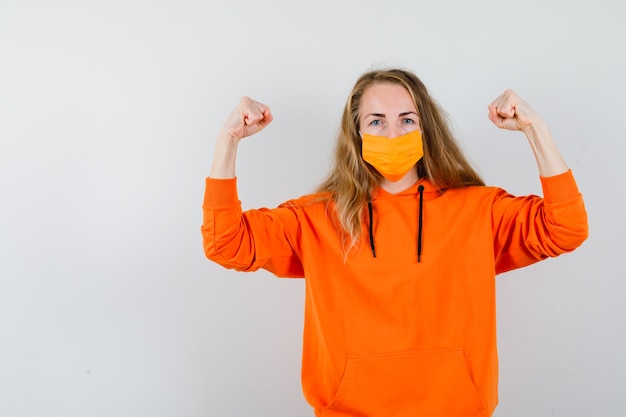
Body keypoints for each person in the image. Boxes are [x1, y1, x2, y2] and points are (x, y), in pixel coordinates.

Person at [201, 68, 588, 417]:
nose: (393, 133)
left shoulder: (477, 209)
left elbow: (566, 227)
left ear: (425, 128)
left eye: (407, 120)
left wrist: (535, 129)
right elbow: (226, 243)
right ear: (357, 132)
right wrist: (228, 140)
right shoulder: (317, 217)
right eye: (376, 121)